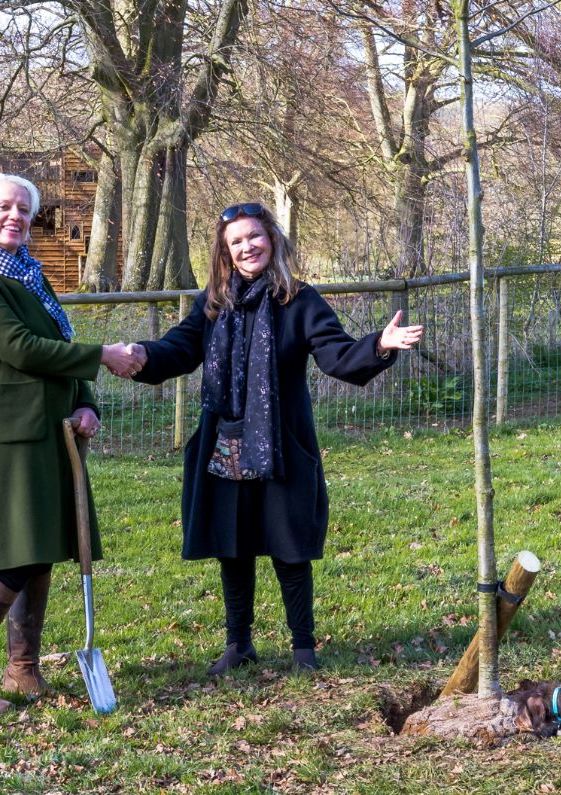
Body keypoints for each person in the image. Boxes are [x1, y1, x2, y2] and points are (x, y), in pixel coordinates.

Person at [126, 202, 423, 673]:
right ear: (225, 253)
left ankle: (303, 648)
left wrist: (380, 345)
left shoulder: (299, 301)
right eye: (236, 242)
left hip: (280, 443)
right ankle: (238, 643)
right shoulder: (214, 303)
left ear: (273, 239)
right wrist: (141, 353)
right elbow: (180, 349)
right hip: (226, 441)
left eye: (254, 237)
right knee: (233, 542)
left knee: (289, 544)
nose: (247, 247)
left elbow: (336, 355)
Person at [0, 172, 142, 714]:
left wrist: (86, 403)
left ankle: (23, 668)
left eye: (24, 209)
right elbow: (20, 347)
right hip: (7, 434)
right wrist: (103, 356)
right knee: (11, 549)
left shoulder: (29, 272)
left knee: (43, 548)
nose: (15, 216)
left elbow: (58, 340)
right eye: (3, 207)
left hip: (55, 429)